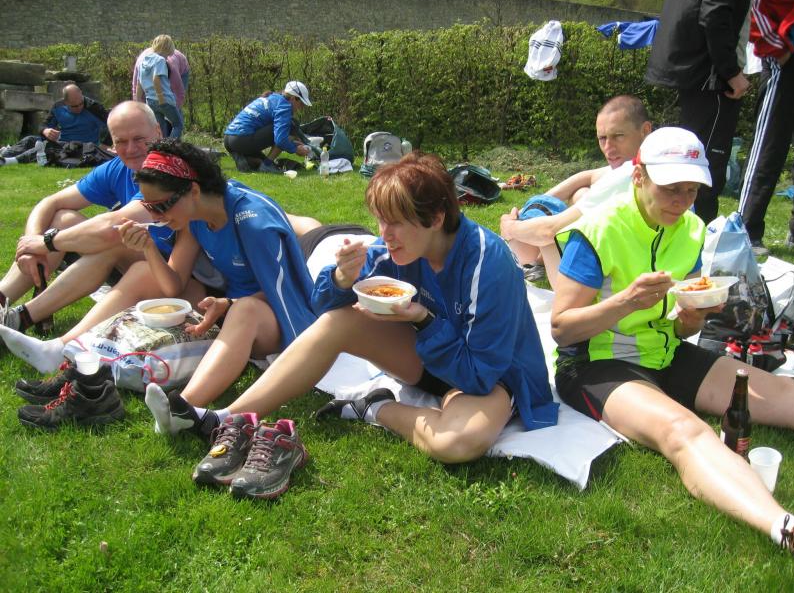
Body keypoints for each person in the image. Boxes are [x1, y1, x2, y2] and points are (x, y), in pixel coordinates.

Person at [143, 152, 558, 497]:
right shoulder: (397, 249)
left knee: (457, 443)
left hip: (488, 377)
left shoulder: (488, 263)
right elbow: (322, 306)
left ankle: (372, 407)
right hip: (433, 357)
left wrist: (424, 319)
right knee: (339, 321)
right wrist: (342, 278)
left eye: (395, 222)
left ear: (435, 218)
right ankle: (222, 419)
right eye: (380, 221)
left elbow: (479, 375)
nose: (384, 235)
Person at [550, 127, 794, 567]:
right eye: (670, 188)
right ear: (639, 177)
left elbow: (681, 328)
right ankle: (786, 529)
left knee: (780, 392)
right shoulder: (598, 230)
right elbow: (561, 329)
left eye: (691, 190)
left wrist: (693, 317)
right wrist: (627, 300)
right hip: (595, 364)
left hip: (664, 351)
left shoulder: (692, 230)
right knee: (685, 432)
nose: (681, 201)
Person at [0, 139, 320, 381]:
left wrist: (231, 305)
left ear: (192, 191)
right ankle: (62, 347)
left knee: (243, 309)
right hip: (219, 300)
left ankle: (194, 407)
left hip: (257, 312)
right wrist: (150, 249)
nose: (155, 216)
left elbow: (284, 292)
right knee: (143, 270)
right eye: (149, 207)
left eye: (160, 206)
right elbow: (173, 285)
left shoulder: (248, 219)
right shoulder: (194, 218)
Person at [0, 101, 172, 335]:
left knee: (115, 238)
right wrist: (30, 245)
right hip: (140, 263)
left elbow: (112, 227)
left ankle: (18, 319)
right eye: (121, 141)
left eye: (139, 138)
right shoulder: (118, 168)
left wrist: (46, 242)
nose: (131, 149)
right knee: (63, 218)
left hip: (175, 278)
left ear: (158, 132)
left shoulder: (169, 170)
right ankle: (3, 297)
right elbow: (50, 203)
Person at [500, 95, 652, 285]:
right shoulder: (650, 165)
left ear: (645, 131)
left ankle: (539, 265)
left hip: (603, 289)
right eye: (602, 138)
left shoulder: (626, 176)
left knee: (545, 224)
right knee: (579, 194)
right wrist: (529, 206)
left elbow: (548, 231)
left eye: (618, 136)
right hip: (641, 266)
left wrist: (509, 227)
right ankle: (539, 260)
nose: (608, 148)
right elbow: (587, 176)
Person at [646, 0, 751, 224]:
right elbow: (714, 13)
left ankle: (673, 229)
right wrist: (730, 71)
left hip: (687, 65)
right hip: (708, 74)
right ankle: (698, 233)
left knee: (680, 159)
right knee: (702, 165)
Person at [737, 0, 794, 256]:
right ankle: (746, 229)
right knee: (769, 146)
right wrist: (775, 47)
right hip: (784, 56)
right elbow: (756, 1)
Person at [0, 84, 112, 167]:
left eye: (81, 103)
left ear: (82, 95)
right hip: (62, 143)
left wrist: (105, 144)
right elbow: (43, 125)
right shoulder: (58, 107)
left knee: (47, 147)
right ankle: (5, 154)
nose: (79, 107)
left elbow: (114, 125)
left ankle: (11, 161)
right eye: (74, 106)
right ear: (66, 102)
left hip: (82, 148)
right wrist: (45, 131)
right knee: (30, 140)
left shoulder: (95, 108)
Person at [223, 81, 312, 174]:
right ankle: (267, 165)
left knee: (262, 160)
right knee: (291, 125)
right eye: (301, 104)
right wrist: (295, 149)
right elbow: (280, 140)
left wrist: (293, 142)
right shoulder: (284, 107)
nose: (301, 108)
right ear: (293, 98)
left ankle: (245, 159)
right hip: (241, 139)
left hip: (228, 139)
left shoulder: (273, 97)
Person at [132, 36, 190, 130]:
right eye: (167, 55)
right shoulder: (161, 61)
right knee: (178, 125)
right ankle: (172, 139)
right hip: (163, 99)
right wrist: (161, 100)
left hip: (150, 100)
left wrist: (139, 103)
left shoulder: (144, 61)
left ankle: (163, 139)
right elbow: (155, 79)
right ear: (167, 50)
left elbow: (140, 82)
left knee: (159, 127)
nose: (167, 58)